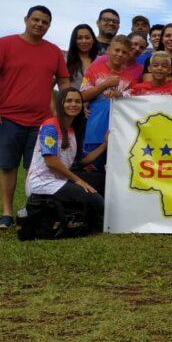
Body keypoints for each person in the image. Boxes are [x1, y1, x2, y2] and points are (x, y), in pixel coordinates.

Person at [0, 5, 71, 230]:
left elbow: (64, 82)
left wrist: (63, 108)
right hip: (7, 118)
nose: (40, 25)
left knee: (39, 169)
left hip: (42, 122)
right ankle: (7, 213)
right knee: (7, 166)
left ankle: (32, 209)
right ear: (26, 19)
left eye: (45, 22)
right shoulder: (4, 44)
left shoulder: (53, 52)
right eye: (36, 20)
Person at [25, 86, 106, 232]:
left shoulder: (72, 129)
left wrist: (105, 144)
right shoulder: (50, 126)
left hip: (61, 178)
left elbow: (82, 161)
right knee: (97, 201)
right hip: (44, 182)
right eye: (68, 101)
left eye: (77, 101)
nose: (73, 105)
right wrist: (78, 181)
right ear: (60, 104)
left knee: (103, 180)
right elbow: (51, 162)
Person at [80, 35, 135, 170]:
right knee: (91, 169)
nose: (120, 54)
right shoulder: (94, 70)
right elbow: (82, 96)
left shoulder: (131, 79)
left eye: (124, 52)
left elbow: (134, 103)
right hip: (95, 129)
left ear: (128, 56)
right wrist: (104, 85)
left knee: (115, 171)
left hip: (119, 132)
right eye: (117, 50)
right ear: (109, 50)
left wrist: (120, 95)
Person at [65, 24, 98, 89]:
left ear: (93, 39)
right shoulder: (65, 60)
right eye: (79, 38)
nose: (84, 41)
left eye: (87, 38)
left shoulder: (100, 61)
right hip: (72, 98)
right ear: (74, 41)